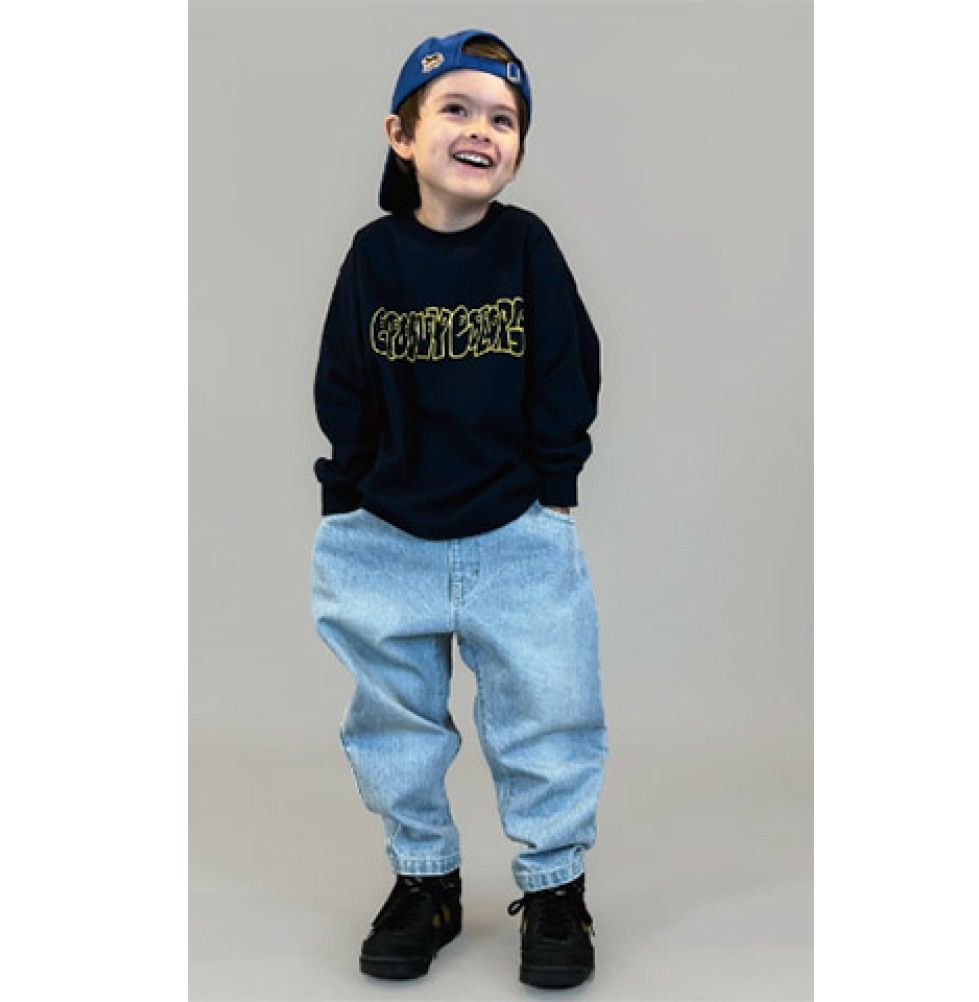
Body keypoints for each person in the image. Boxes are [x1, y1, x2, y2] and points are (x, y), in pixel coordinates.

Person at [309, 27, 608, 990]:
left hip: (516, 530)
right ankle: (425, 880)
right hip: (384, 534)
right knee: (393, 723)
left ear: (517, 148)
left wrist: (555, 491)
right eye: (457, 109)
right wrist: (345, 495)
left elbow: (567, 368)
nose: (482, 130)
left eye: (504, 119)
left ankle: (555, 886)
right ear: (401, 135)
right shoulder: (374, 257)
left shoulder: (526, 249)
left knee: (549, 714)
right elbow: (343, 380)